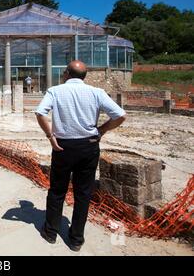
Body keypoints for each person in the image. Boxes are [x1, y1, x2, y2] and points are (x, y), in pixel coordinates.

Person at [35, 60, 126, 252]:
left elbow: (40, 112)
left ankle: (50, 232)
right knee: (83, 193)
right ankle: (76, 239)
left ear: (67, 73)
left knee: (57, 190)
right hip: (89, 146)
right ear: (84, 76)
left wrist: (50, 137)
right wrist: (101, 130)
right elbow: (120, 115)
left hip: (63, 147)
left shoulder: (55, 91)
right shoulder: (96, 92)